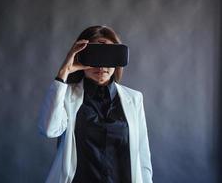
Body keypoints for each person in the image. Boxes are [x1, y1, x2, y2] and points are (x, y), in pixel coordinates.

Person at [38, 25, 153, 183]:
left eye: (108, 55)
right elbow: (49, 130)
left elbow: (143, 157)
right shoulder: (65, 95)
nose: (102, 65)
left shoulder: (134, 99)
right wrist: (64, 70)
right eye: (95, 55)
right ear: (80, 56)